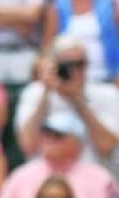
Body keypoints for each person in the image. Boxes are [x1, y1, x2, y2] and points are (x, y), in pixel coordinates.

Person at [15, 36, 119, 174]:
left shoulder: (107, 94)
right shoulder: (35, 93)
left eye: (80, 64)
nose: (74, 71)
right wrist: (46, 92)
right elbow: (27, 144)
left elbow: (107, 145)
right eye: (67, 65)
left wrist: (76, 100)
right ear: (54, 65)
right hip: (46, 180)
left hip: (93, 179)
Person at [40, 0, 119, 83]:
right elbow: (47, 48)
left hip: (107, 77)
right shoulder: (56, 7)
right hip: (68, 81)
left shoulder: (110, 4)